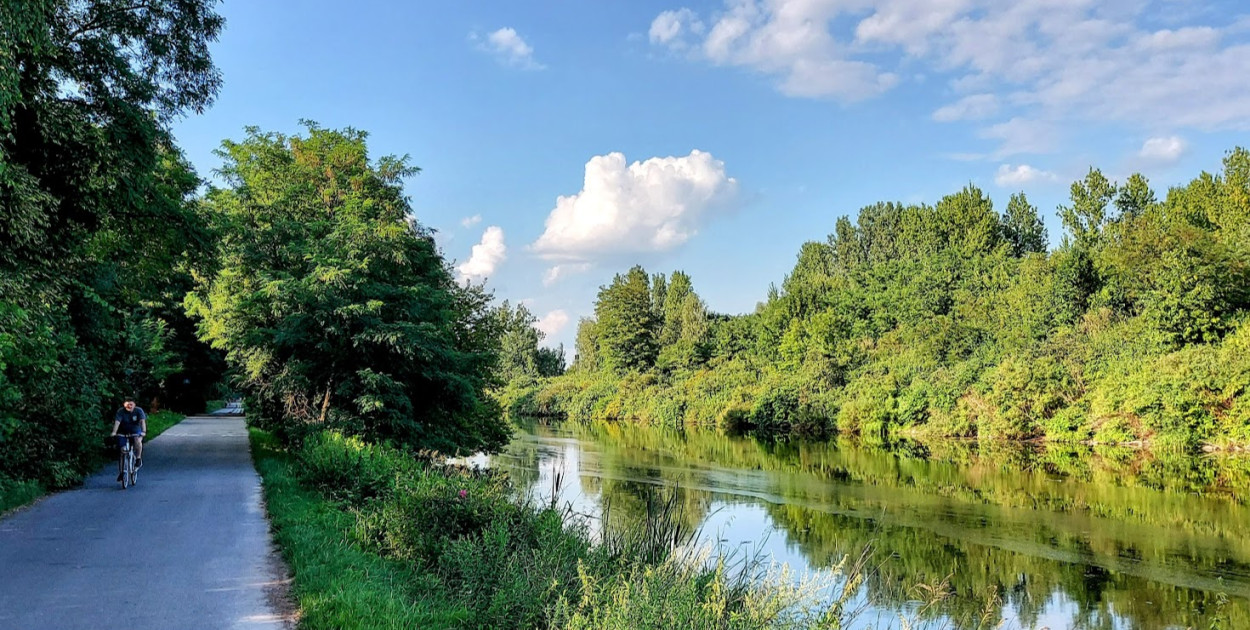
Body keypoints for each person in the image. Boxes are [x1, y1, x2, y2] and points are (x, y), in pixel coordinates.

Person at [110, 397, 147, 481]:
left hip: (135, 430)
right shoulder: (120, 411)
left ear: (134, 405)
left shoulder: (138, 411)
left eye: (131, 404)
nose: (129, 406)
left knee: (137, 441)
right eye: (127, 404)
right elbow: (117, 422)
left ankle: (138, 458)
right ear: (124, 404)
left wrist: (144, 431)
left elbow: (142, 421)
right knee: (122, 450)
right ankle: (122, 471)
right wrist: (114, 432)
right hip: (123, 431)